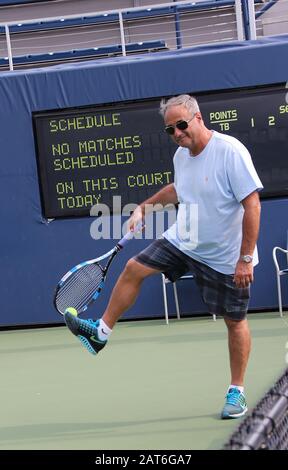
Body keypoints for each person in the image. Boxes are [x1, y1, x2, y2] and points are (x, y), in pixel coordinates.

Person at [64, 94, 263, 419]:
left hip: (226, 255)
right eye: (170, 130)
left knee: (234, 321)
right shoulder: (181, 156)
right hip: (185, 239)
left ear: (198, 118)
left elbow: (252, 204)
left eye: (182, 125)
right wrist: (144, 206)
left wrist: (244, 258)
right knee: (133, 268)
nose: (178, 134)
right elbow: (177, 189)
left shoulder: (230, 152)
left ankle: (236, 391)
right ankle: (100, 333)